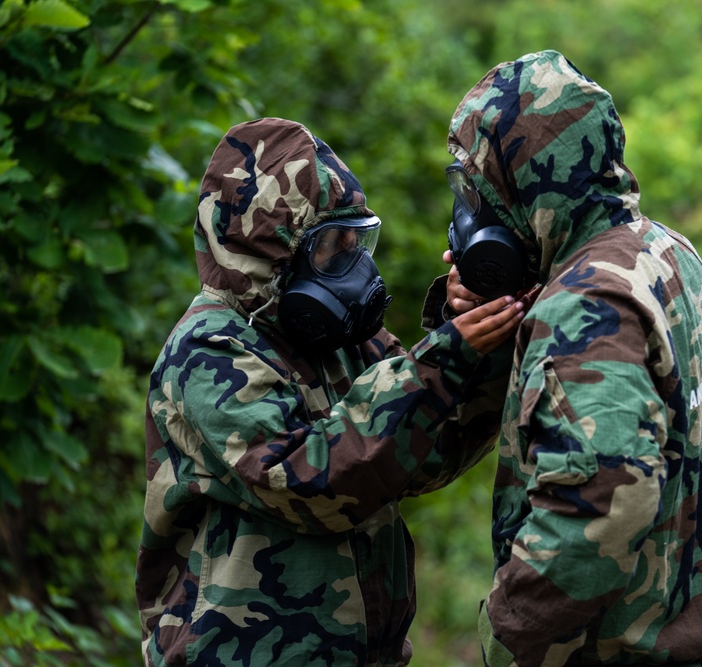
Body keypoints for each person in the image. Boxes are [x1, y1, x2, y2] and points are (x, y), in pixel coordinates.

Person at [135, 117, 525, 666]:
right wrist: (445, 356)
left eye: (358, 242)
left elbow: (423, 454)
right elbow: (307, 482)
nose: (355, 267)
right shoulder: (208, 350)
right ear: (272, 249)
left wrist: (476, 329)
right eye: (333, 249)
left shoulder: (338, 341)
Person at [443, 50, 702, 666]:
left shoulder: (583, 303)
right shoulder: (664, 253)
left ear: (524, 179)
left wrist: (508, 633)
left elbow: (601, 505)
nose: (471, 209)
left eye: (479, 185)